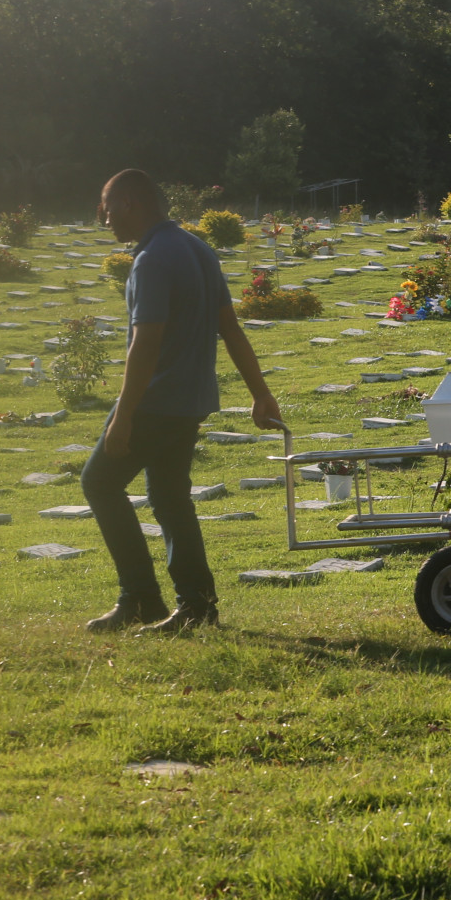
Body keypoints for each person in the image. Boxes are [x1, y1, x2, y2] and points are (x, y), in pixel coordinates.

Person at [82, 169, 283, 634]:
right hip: (192, 400)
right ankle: (196, 607)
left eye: (108, 210)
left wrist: (123, 416)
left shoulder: (152, 258)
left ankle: (139, 598)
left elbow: (145, 343)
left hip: (155, 402)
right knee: (170, 498)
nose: (105, 220)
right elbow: (230, 327)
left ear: (131, 203)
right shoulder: (198, 248)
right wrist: (260, 393)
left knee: (99, 483)